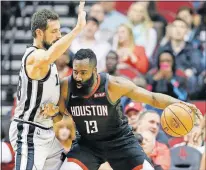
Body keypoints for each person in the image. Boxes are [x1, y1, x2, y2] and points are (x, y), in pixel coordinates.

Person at [41, 48, 202, 170]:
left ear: (95, 71)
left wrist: (180, 103)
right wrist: (53, 114)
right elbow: (60, 117)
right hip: (87, 144)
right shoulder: (65, 86)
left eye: (84, 73)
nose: (78, 77)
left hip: (120, 142)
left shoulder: (112, 84)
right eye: (75, 72)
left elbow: (152, 98)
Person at [8, 1, 86, 170]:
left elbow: (51, 107)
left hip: (47, 131)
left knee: (73, 165)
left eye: (59, 30)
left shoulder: (50, 62)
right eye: (54, 31)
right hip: (28, 132)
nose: (58, 35)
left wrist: (54, 111)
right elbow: (48, 56)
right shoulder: (35, 57)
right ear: (39, 33)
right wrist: (77, 29)